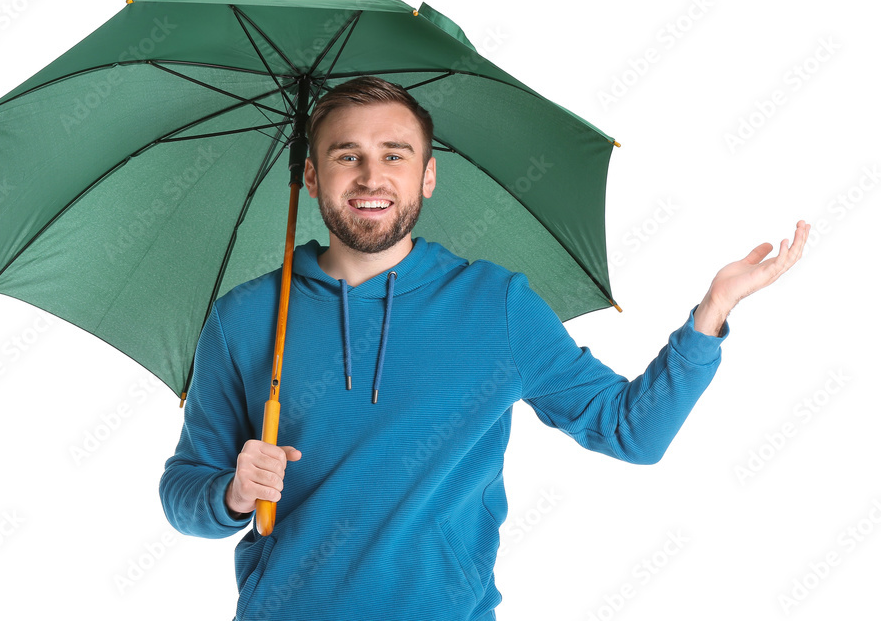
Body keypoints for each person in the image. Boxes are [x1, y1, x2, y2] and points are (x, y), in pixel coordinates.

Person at [159, 77, 809, 621]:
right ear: (310, 172)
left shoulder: (495, 305)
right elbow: (184, 489)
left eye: (394, 153)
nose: (370, 175)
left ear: (428, 175)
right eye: (345, 154)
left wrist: (711, 313)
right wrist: (234, 494)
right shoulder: (244, 318)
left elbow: (630, 430)